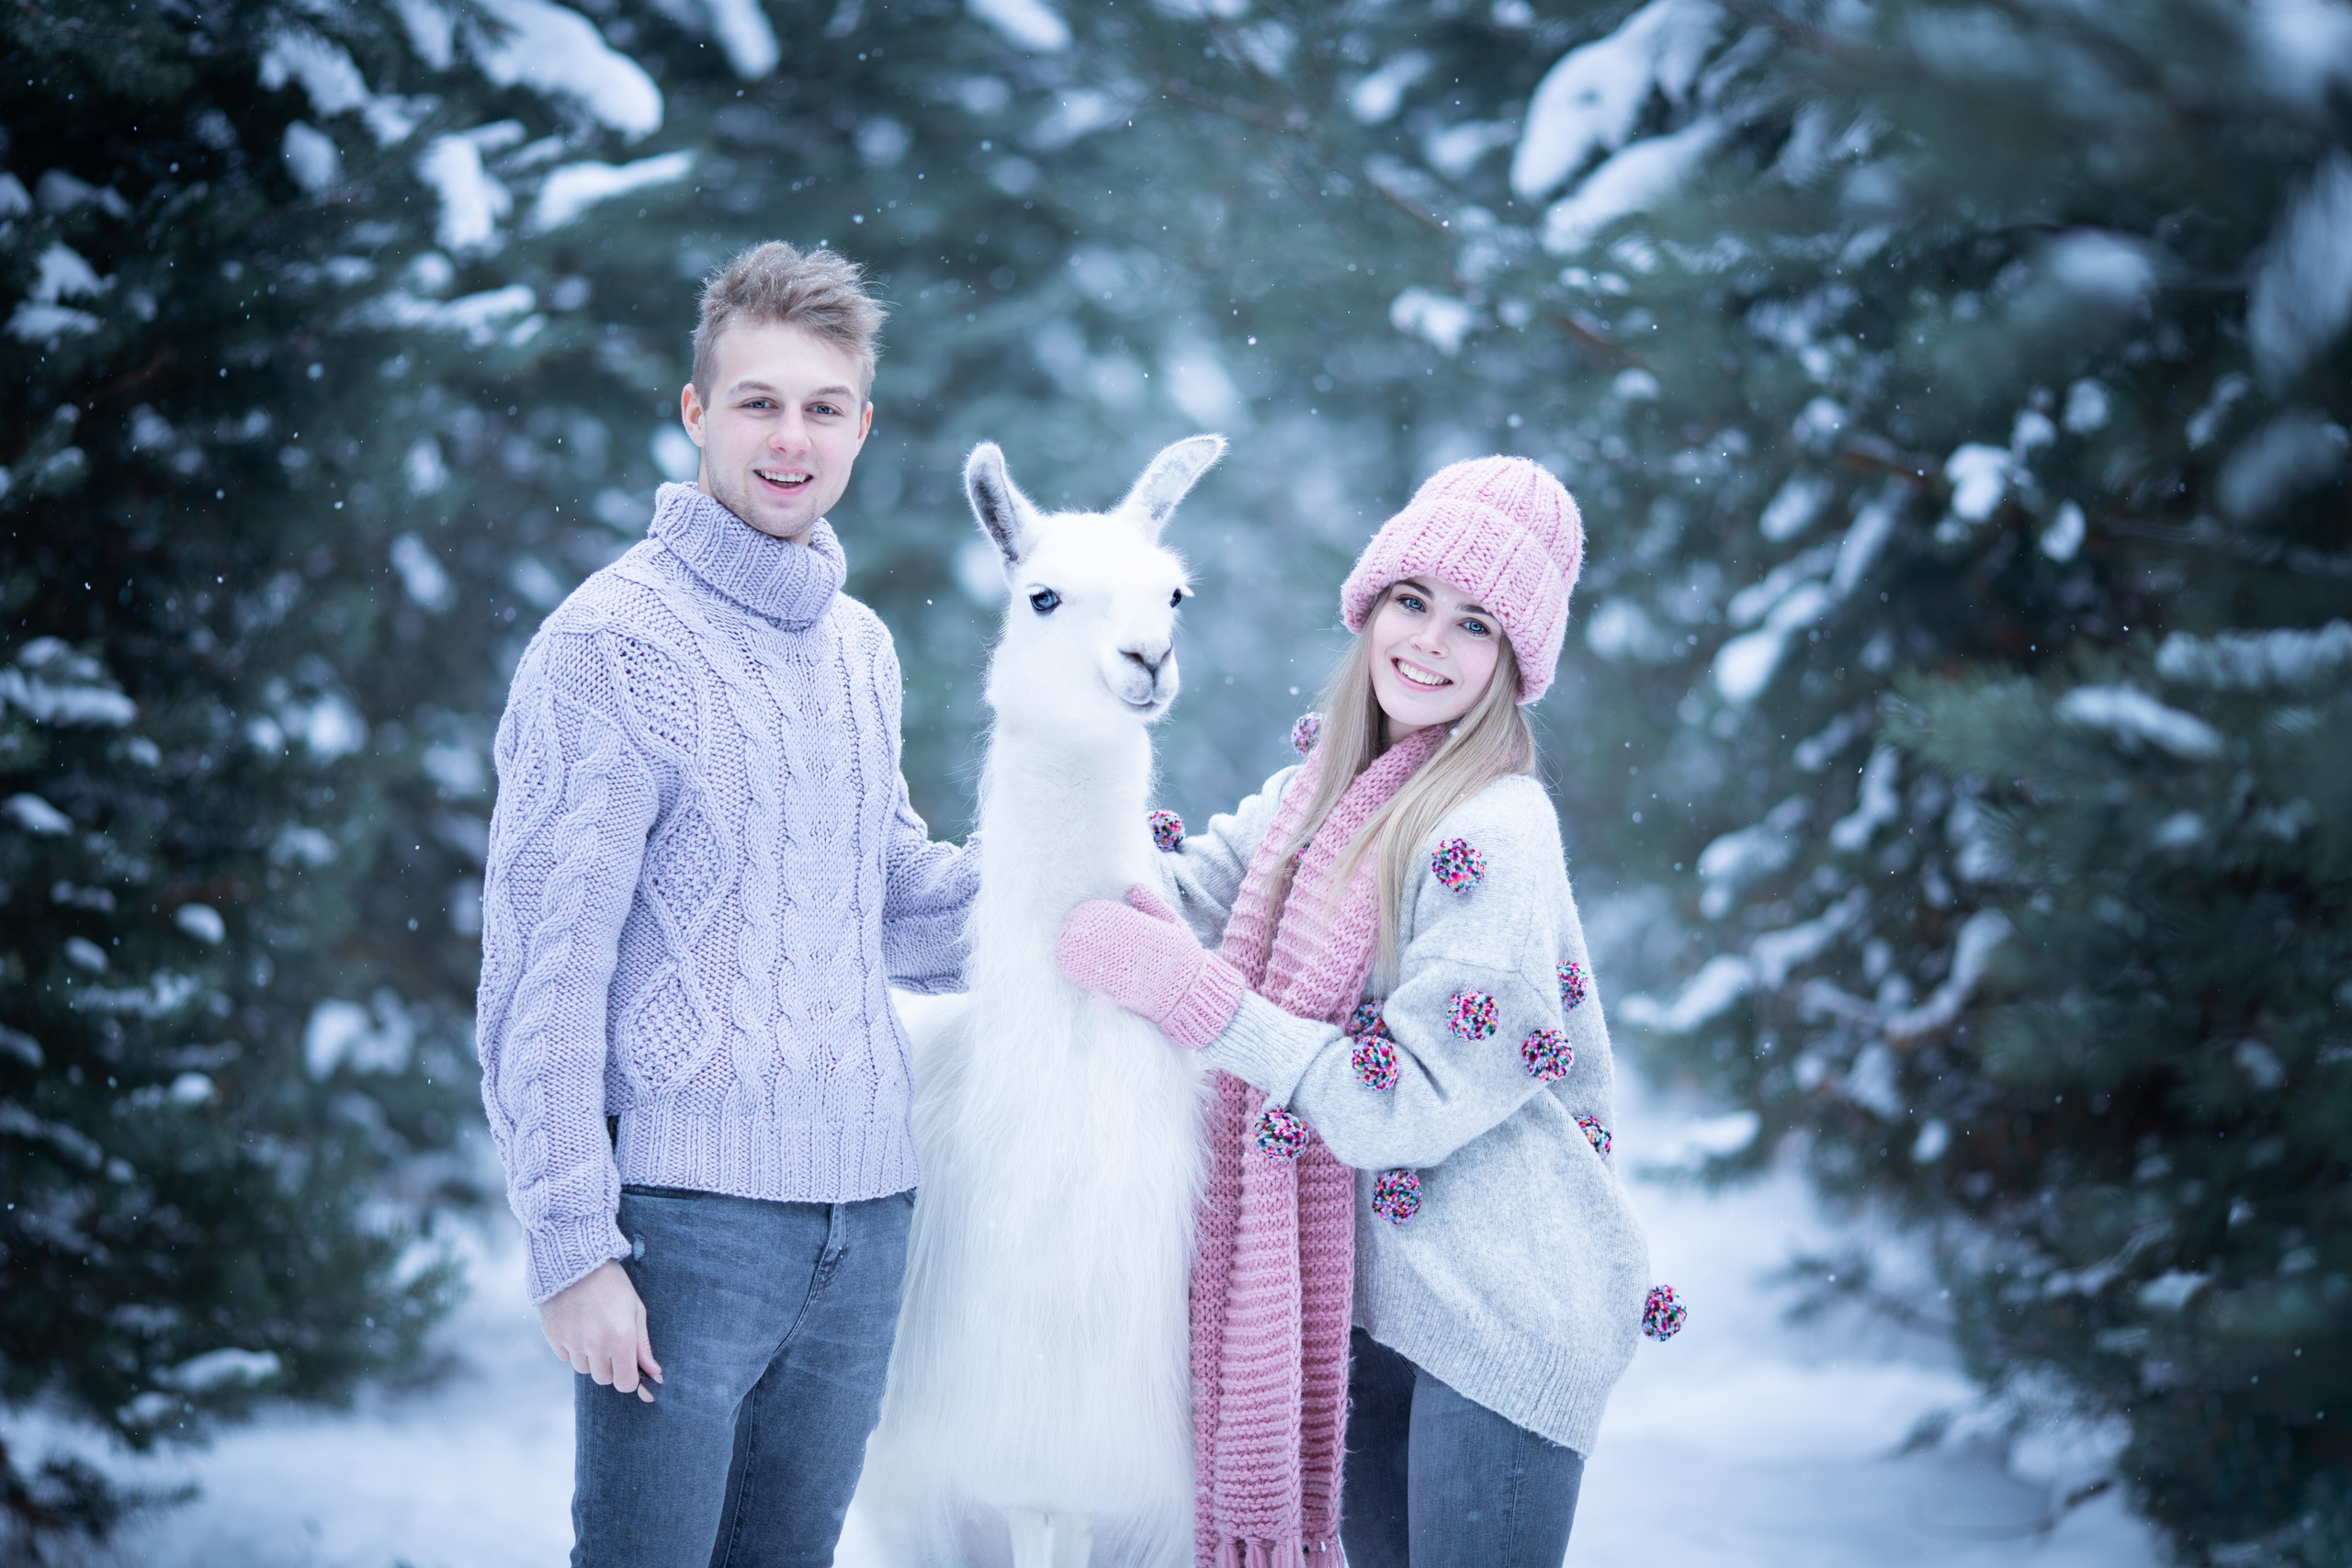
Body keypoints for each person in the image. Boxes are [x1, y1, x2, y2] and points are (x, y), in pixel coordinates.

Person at [1054, 457, 1658, 1567]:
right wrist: (1052, 800)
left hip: (1501, 1314)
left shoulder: (1496, 831)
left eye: (1476, 625)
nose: (1428, 642)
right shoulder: (1316, 798)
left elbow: (1403, 1106)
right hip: (1365, 1305)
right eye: (1413, 601)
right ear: (1370, 605)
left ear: (1515, 665)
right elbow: (1173, 892)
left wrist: (1202, 1005)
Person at [474, 241, 980, 1567]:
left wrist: (1095, 868)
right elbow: (541, 971)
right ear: (696, 411)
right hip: (685, 1231)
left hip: (865, 1223)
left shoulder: (861, 647)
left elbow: (894, 906)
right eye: (757, 401)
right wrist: (574, 1243)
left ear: (863, 426)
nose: (790, 437)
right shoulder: (610, 643)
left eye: (823, 406)